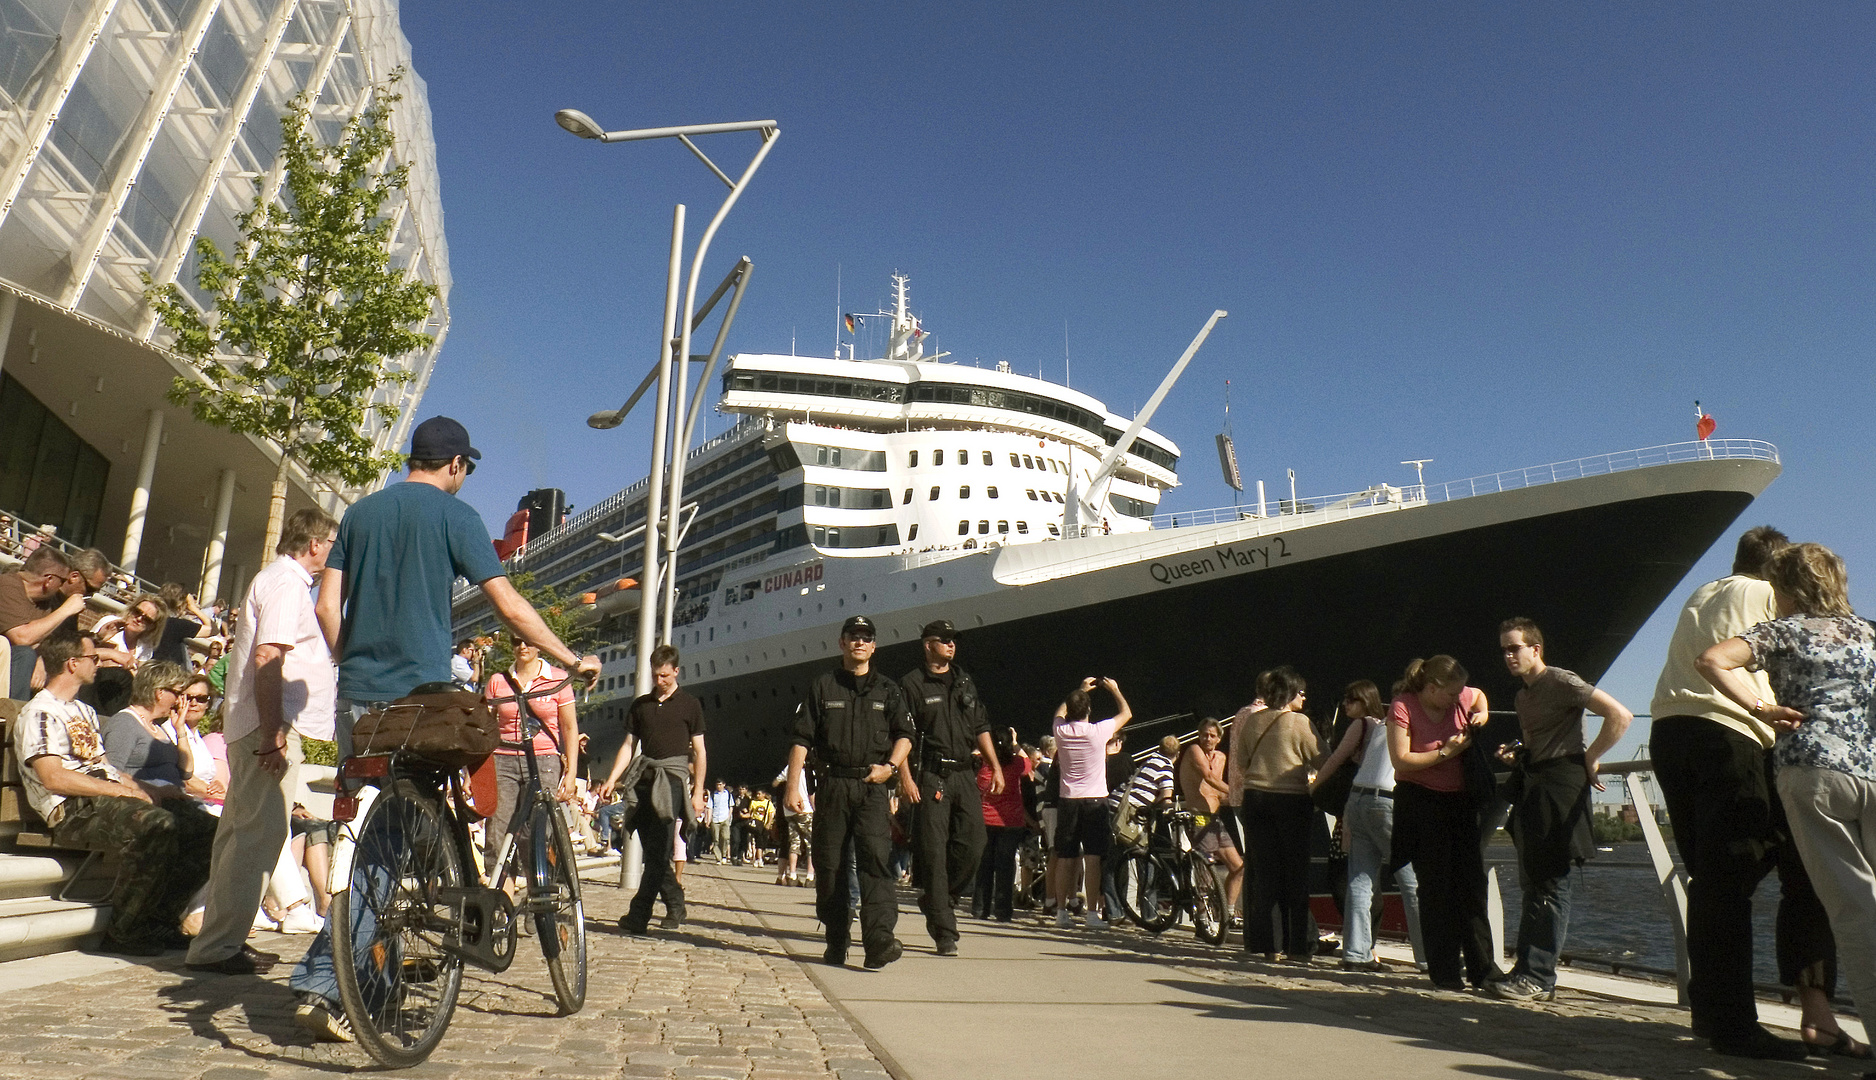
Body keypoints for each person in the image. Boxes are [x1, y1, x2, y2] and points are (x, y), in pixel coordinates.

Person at [287, 416, 598, 1042]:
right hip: (424, 698)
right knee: (389, 849)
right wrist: (569, 659)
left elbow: (326, 606)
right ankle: (329, 986)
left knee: (384, 825)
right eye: (467, 468)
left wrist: (353, 662)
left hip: (360, 700)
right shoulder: (457, 518)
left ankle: (383, 959)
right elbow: (506, 603)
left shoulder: (359, 515)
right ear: (454, 465)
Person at [1649, 526, 1836, 1060]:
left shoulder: (1703, 592)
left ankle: (1711, 1011)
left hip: (1672, 731)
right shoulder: (1763, 594)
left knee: (1711, 879)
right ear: (1778, 570)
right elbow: (1768, 662)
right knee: (1742, 873)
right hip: (1728, 733)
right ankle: (1739, 1026)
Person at [1698, 542, 1876, 1061]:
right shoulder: (1869, 632)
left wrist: (1762, 707)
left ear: (1788, 589)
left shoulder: (1783, 630)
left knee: (1853, 911)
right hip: (1872, 771)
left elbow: (1710, 659)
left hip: (1813, 774)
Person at [186, 508, 339, 974]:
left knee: (242, 832)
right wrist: (273, 732)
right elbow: (269, 654)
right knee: (259, 833)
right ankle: (218, 945)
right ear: (314, 544)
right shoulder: (287, 584)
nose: (335, 554)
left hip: (255, 724)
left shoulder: (278, 581)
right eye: (332, 544)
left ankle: (219, 939)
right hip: (265, 727)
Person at [13, 632, 222, 956]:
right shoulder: (40, 713)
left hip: (104, 799)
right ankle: (124, 931)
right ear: (73, 663)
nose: (100, 663)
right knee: (156, 824)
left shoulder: (82, 710)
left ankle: (159, 920)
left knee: (208, 830)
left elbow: (106, 767)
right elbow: (53, 778)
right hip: (72, 808)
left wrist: (152, 789)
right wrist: (121, 791)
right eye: (93, 658)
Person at [1493, 618, 1633, 1002]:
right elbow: (1538, 740)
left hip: (1561, 784)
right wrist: (1517, 753)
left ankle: (1539, 976)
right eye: (1504, 649)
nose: (1508, 656)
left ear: (1535, 649)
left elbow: (1620, 716)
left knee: (1552, 883)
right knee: (1533, 883)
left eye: (1514, 648)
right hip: (1535, 783)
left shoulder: (1562, 681)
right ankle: (1525, 969)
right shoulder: (1523, 697)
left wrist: (1591, 757)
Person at [784, 615, 914, 969]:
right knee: (830, 866)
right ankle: (837, 936)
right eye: (853, 637)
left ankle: (879, 941)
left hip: (872, 787)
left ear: (874, 645)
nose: (859, 643)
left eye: (866, 637)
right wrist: (793, 785)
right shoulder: (823, 687)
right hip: (833, 786)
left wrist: (890, 768)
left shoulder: (888, 690)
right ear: (842, 643)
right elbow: (801, 738)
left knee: (875, 862)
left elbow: (905, 735)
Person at [1386, 655, 1495, 991]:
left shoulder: (1460, 694)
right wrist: (1446, 752)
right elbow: (1400, 759)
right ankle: (1445, 970)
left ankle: (1483, 969)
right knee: (1435, 888)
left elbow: (1478, 696)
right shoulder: (1403, 706)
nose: (1455, 699)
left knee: (1472, 885)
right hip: (1421, 801)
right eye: (1450, 694)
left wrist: (1483, 713)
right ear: (1431, 688)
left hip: (1460, 802)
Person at [900, 618, 1002, 956]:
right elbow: (902, 735)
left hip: (964, 775)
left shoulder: (964, 681)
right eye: (944, 640)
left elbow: (981, 725)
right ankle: (945, 932)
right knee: (933, 852)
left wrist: (995, 766)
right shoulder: (912, 685)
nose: (951, 645)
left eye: (953, 640)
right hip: (931, 775)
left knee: (975, 842)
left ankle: (938, 899)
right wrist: (905, 778)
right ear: (928, 644)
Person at [1310, 681, 1422, 971]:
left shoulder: (1383, 723)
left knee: (1360, 881)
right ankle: (1428, 957)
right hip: (1384, 800)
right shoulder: (1415, 720)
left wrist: (1315, 791)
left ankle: (1356, 953)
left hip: (1357, 800)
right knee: (1412, 880)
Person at [598, 644, 706, 933]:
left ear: (676, 671)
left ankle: (638, 915)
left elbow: (700, 751)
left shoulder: (690, 705)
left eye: (664, 676)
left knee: (659, 849)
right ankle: (676, 903)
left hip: (671, 780)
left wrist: (697, 792)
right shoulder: (641, 705)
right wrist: (611, 779)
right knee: (653, 851)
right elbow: (628, 746)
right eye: (655, 676)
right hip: (644, 777)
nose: (659, 681)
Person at [1229, 666, 1321, 963]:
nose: (1304, 699)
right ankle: (1298, 946)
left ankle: (1271, 946)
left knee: (1265, 875)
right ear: (1292, 693)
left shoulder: (1253, 721)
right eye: (1301, 693)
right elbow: (1323, 757)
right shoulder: (1300, 722)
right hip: (1290, 800)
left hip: (1255, 799)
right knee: (1295, 873)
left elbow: (1242, 762)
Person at [482, 636, 580, 879]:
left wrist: (572, 773)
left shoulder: (558, 678)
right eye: (516, 641)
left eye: (528, 641)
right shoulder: (498, 681)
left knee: (534, 835)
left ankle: (535, 907)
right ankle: (502, 906)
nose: (522, 646)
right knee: (496, 835)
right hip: (502, 758)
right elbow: (485, 727)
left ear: (539, 644)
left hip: (543, 760)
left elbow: (569, 728)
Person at [1049, 676, 1131, 930]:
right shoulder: (1099, 731)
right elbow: (1126, 712)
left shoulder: (1060, 731)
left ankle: (1061, 911)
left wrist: (1081, 690)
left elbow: (1058, 713)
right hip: (1095, 799)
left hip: (1068, 799)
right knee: (1093, 857)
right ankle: (1092, 914)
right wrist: (1115, 690)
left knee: (1066, 856)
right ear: (1089, 710)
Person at [1177, 717, 1244, 919]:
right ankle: (1203, 916)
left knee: (1238, 867)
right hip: (1199, 818)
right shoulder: (1193, 750)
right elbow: (1209, 778)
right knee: (1205, 868)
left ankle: (1228, 913)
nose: (1207, 738)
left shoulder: (1221, 757)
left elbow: (1216, 791)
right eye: (1204, 734)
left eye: (1212, 735)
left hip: (1215, 819)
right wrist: (1237, 792)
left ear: (1218, 739)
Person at [1, 546, 89, 698]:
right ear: (49, 580)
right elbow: (21, 638)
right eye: (62, 581)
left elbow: (41, 641)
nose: (63, 587)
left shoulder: (44, 603)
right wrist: (65, 610)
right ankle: (13, 716)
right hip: (8, 655)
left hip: (15, 659)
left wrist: (40, 660)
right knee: (25, 655)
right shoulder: (7, 586)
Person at [975, 726, 1031, 922]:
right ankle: (1003, 910)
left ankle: (980, 907)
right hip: (1011, 821)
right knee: (1005, 867)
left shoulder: (984, 766)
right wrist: (1015, 743)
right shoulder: (1017, 764)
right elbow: (1028, 762)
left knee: (985, 865)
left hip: (985, 819)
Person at [774, 763, 814, 886]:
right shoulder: (811, 771)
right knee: (811, 844)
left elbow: (775, 782)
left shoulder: (789, 767)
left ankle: (792, 875)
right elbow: (812, 792)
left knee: (794, 842)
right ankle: (810, 877)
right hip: (805, 808)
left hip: (789, 811)